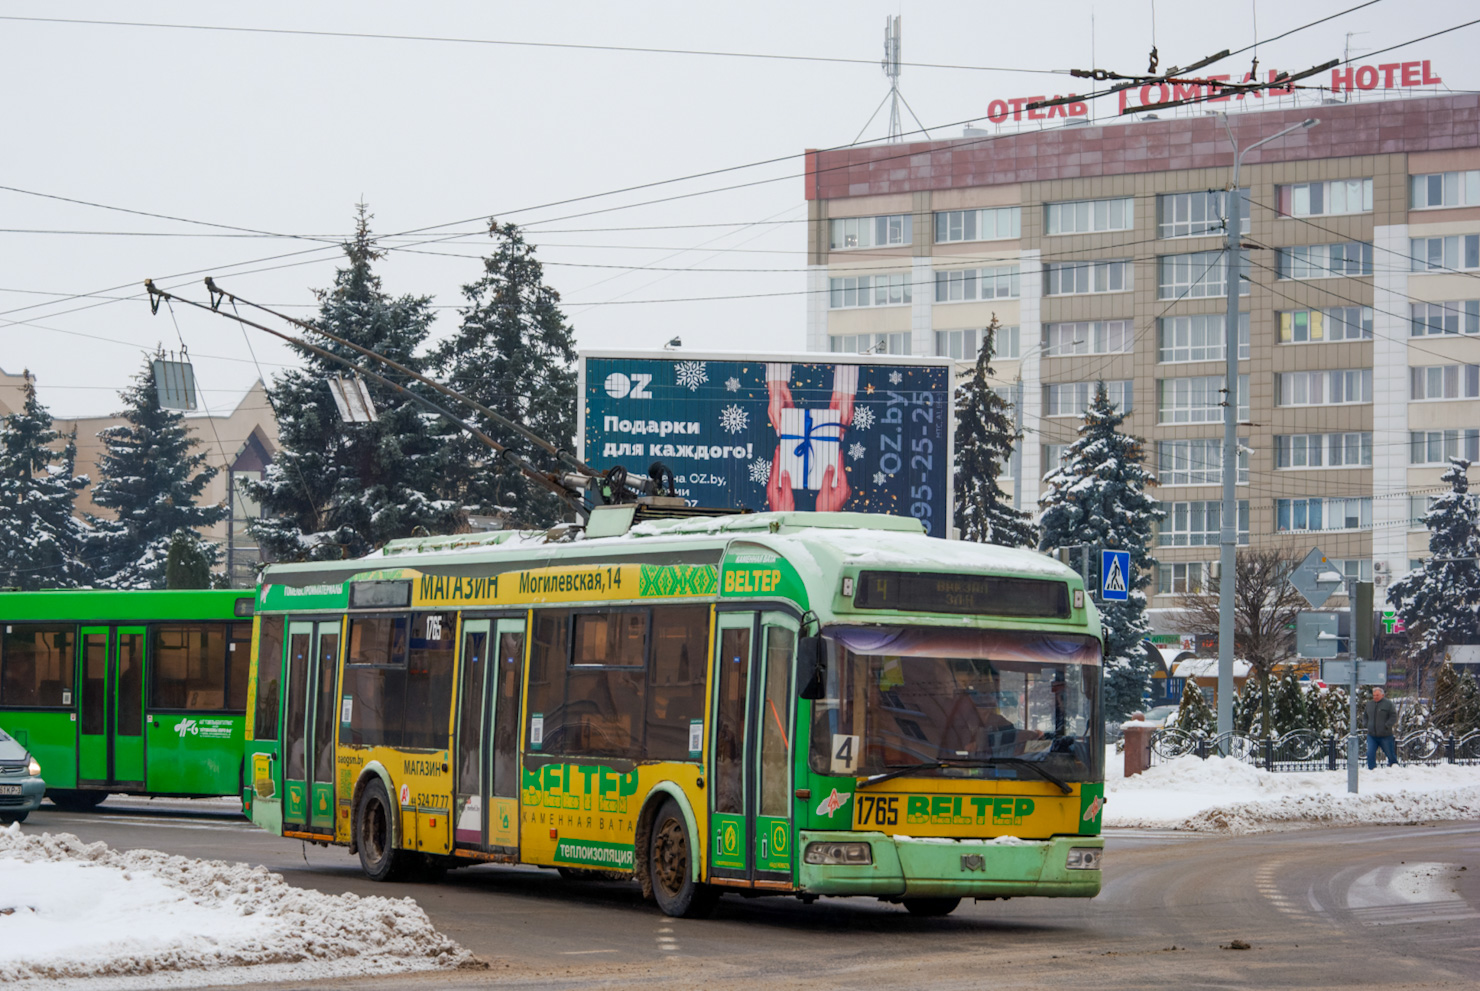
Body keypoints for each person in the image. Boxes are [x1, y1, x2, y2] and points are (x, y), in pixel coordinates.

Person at [1365, 686, 1398, 769]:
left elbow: (1393, 716)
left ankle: (1394, 767)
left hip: (1385, 735)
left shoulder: (1388, 704)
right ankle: (1371, 769)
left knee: (1390, 753)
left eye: (1377, 695)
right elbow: (1365, 716)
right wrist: (1366, 724)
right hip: (1372, 735)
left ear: (1382, 695)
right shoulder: (1369, 704)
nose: (1375, 697)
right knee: (1370, 753)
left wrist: (1387, 725)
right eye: (1374, 695)